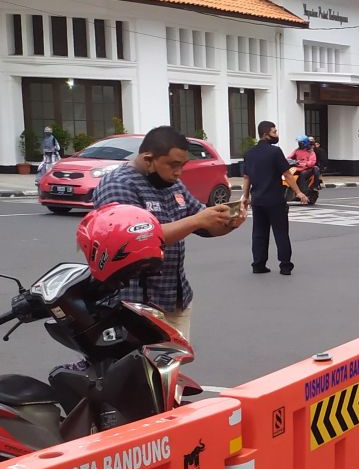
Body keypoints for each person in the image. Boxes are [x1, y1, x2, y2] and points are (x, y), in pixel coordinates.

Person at [93, 125, 244, 339]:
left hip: (175, 298)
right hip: (135, 305)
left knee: (170, 369)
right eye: (173, 165)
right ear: (148, 159)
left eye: (182, 165)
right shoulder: (119, 184)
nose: (178, 172)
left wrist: (228, 222)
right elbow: (132, 240)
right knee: (140, 370)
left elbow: (203, 223)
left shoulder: (173, 184)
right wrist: (197, 220)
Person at [243, 121, 307, 275]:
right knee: (281, 233)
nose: (276, 134)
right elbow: (287, 174)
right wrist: (298, 192)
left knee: (259, 233)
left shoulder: (249, 153)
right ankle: (285, 266)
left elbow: (246, 177)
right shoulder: (275, 152)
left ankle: (258, 265)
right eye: (274, 131)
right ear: (266, 134)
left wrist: (245, 197)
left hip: (257, 200)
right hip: (274, 200)